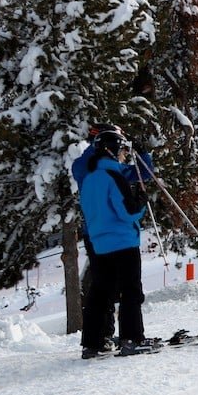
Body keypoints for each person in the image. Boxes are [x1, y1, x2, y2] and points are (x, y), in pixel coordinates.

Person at [72, 123, 156, 348]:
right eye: (121, 149)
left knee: (101, 290)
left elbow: (143, 171)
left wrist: (141, 152)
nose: (123, 155)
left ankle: (93, 342)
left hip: (100, 241)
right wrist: (141, 204)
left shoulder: (91, 176)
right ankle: (132, 338)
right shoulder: (109, 173)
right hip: (122, 240)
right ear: (111, 148)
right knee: (130, 290)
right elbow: (127, 212)